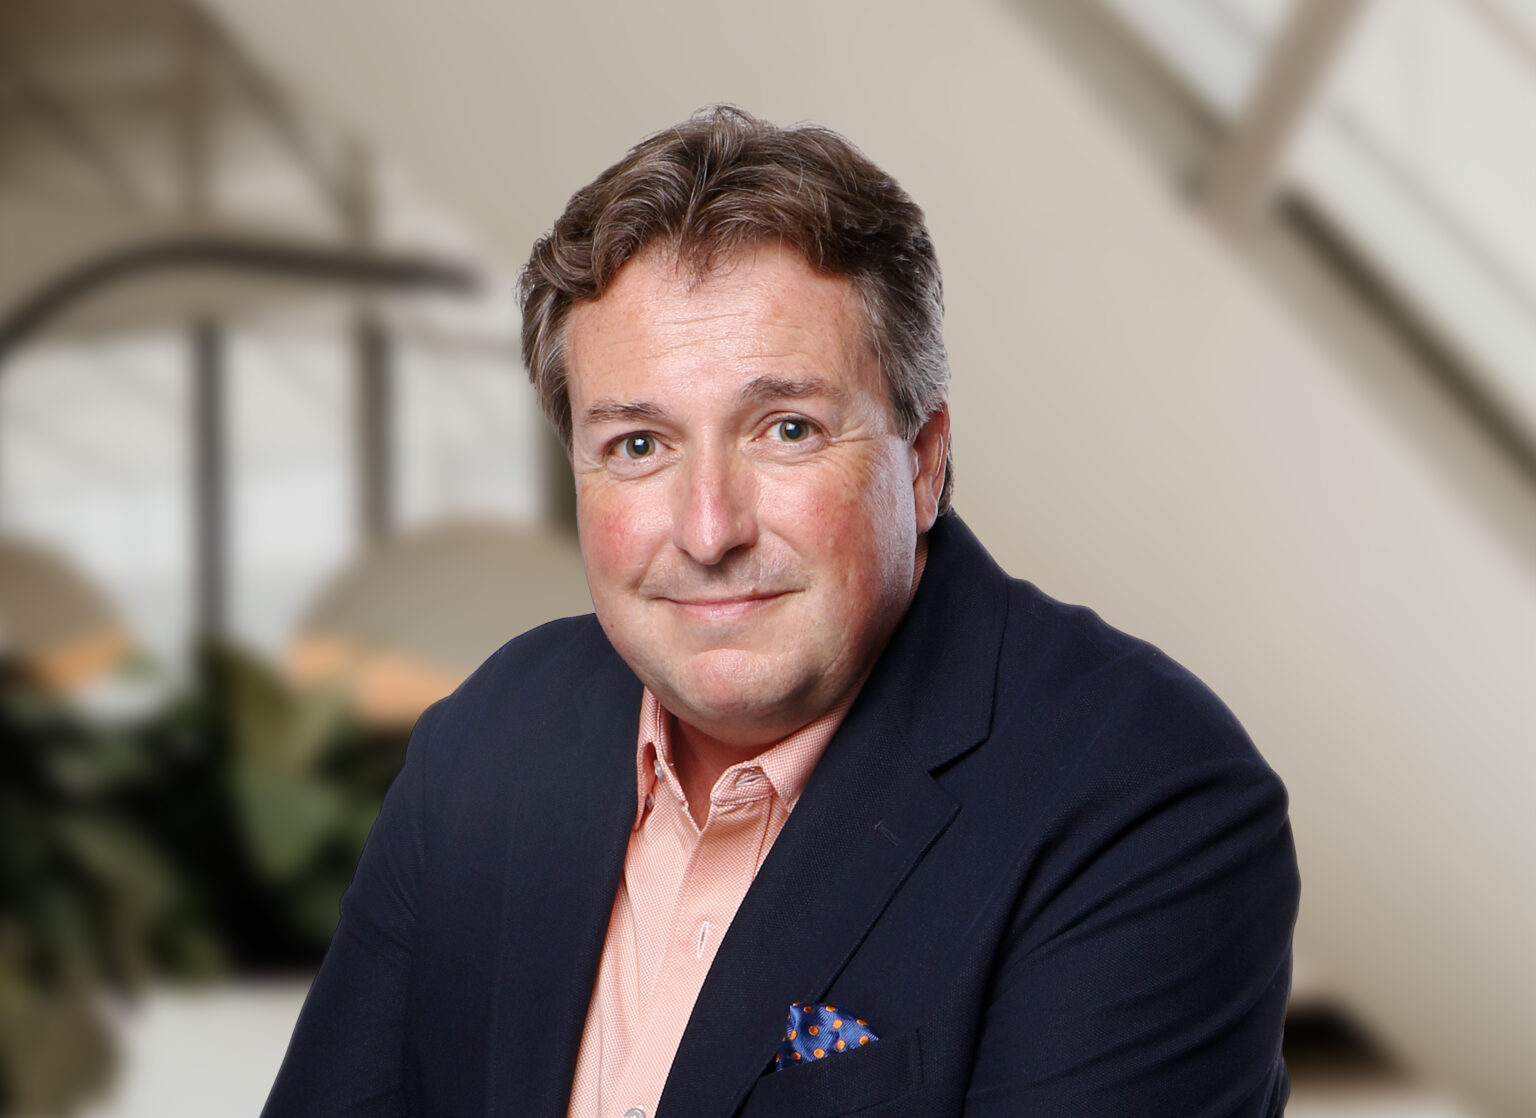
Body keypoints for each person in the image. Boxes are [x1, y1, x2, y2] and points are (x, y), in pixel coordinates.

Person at [263, 106, 1299, 1118]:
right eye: (638, 445)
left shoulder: (1148, 796)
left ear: (924, 460)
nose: (709, 528)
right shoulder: (488, 742)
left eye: (786, 429)